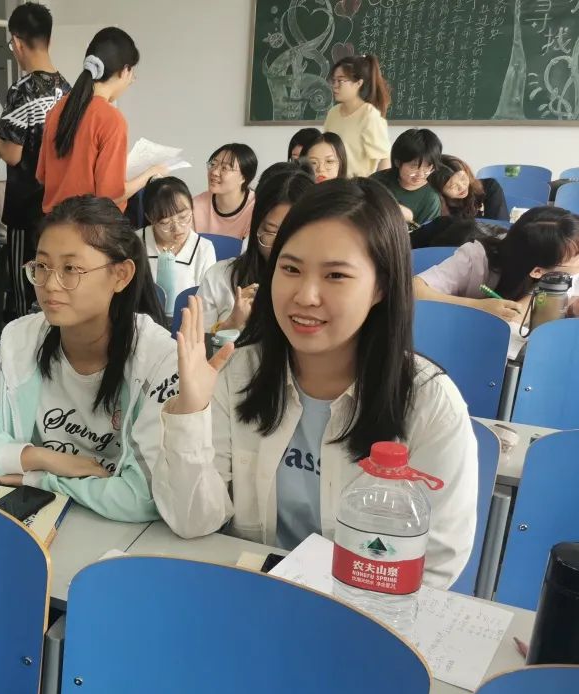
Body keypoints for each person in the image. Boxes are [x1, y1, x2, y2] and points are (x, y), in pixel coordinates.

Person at [153, 179, 477, 589]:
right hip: (249, 596)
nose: (305, 295)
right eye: (290, 269)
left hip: (361, 611)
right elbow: (192, 521)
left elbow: (435, 565)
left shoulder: (429, 403)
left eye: (336, 275)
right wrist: (191, 411)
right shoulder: (237, 373)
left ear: (380, 286)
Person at [0, 195, 177, 523]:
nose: (50, 285)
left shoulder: (157, 361)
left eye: (71, 269)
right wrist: (40, 458)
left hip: (117, 531)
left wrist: (35, 478)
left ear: (121, 275)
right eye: (42, 267)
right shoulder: (20, 340)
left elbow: (143, 497)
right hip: (33, 519)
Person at [0, 1, 71, 322]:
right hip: (59, 205)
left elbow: (13, 154)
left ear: (16, 42)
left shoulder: (23, 90)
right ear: (49, 39)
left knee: (24, 287)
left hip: (26, 207)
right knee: (55, 285)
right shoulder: (68, 90)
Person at [37, 27, 164, 213]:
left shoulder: (57, 109)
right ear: (125, 71)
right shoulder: (111, 120)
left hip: (53, 225)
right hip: (90, 227)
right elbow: (110, 195)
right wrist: (150, 174)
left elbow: (42, 176)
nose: (131, 80)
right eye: (132, 74)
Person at [198, 166, 315, 331]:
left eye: (295, 233)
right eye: (271, 232)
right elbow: (195, 342)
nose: (282, 246)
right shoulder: (220, 277)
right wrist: (231, 324)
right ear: (255, 228)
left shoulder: (321, 290)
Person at [414, 206, 579, 323]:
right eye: (577, 256)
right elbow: (414, 290)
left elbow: (523, 312)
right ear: (537, 271)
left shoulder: (563, 271)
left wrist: (571, 310)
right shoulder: (476, 258)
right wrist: (478, 306)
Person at [138, 177, 216, 300]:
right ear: (150, 218)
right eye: (165, 223)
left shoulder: (204, 248)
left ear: (192, 208)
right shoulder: (135, 242)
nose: (177, 228)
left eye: (183, 217)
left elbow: (208, 300)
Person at [323, 54, 391, 178]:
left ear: (358, 83)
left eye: (341, 80)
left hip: (357, 186)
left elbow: (383, 159)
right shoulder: (333, 113)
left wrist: (379, 188)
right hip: (332, 184)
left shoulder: (369, 115)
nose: (335, 85)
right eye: (334, 80)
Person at [371, 128, 443, 226]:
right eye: (414, 167)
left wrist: (409, 220)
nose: (421, 174)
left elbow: (426, 234)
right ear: (397, 162)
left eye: (428, 167)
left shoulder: (430, 199)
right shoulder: (376, 181)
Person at [192, 144, 258, 239]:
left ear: (243, 178)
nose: (214, 172)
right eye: (213, 164)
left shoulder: (256, 208)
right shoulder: (195, 205)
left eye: (224, 168)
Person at [431, 155, 509, 222]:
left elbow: (500, 225)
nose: (462, 187)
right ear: (440, 191)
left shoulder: (489, 186)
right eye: (452, 186)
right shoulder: (437, 207)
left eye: (463, 178)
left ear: (467, 172)